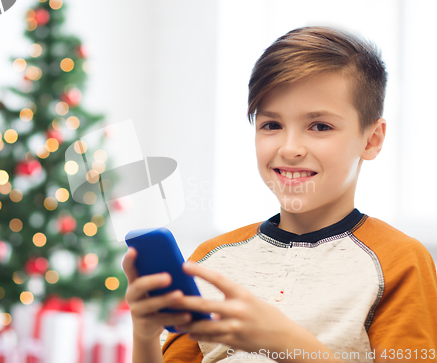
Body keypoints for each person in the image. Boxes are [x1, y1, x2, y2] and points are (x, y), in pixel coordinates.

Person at [122, 26, 437, 363]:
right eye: (271, 125)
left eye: (320, 126)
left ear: (372, 139)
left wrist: (286, 343)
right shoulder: (211, 259)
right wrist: (144, 333)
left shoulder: (400, 262)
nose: (289, 149)